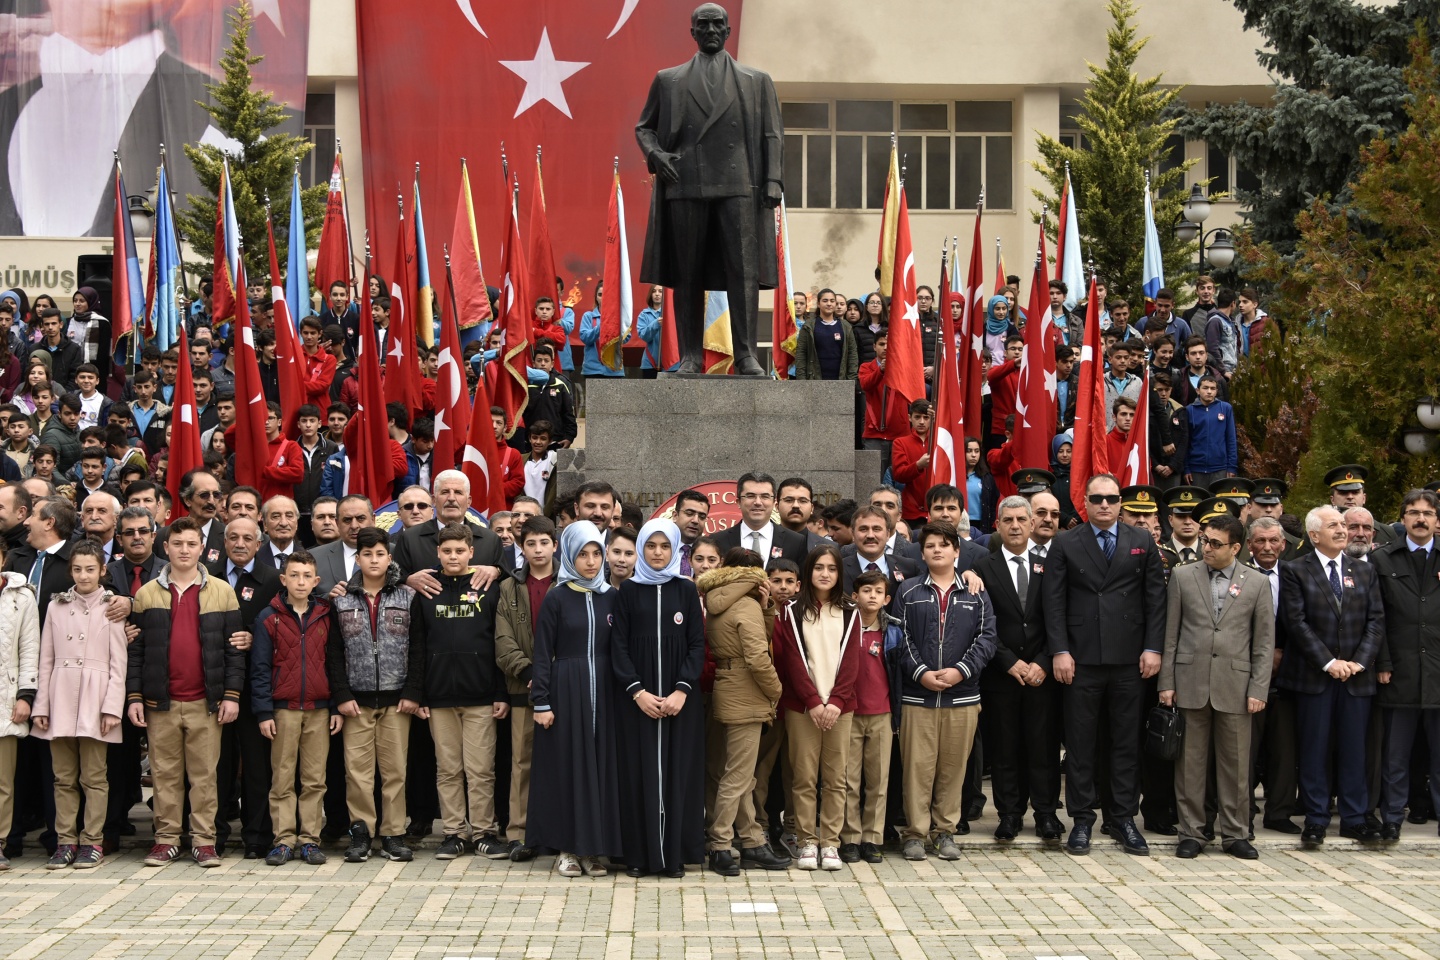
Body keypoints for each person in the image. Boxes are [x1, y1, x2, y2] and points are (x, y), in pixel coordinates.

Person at [635, 2, 781, 376]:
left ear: (729, 31)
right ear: (693, 32)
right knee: (689, 272)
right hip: (686, 182)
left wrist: (774, 180)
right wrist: (656, 154)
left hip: (738, 183)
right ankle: (691, 356)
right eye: (704, 24)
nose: (712, 30)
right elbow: (644, 127)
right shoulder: (668, 79)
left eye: (718, 24)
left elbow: (772, 135)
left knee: (743, 271)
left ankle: (746, 355)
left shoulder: (756, 80)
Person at [1043, 473, 1168, 857]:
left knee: (1125, 742)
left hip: (1130, 658)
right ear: (1085, 501)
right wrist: (1060, 650)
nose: (1104, 505)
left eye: (1111, 499)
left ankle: (1123, 818)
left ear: (1120, 504)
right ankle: (1082, 819)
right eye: (1096, 499)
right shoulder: (1066, 541)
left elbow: (1155, 600)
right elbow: (1054, 600)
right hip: (1081, 659)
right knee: (1080, 744)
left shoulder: (1140, 540)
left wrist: (1153, 648)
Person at [126, 518, 245, 868]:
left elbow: (233, 650)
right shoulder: (146, 594)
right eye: (177, 543)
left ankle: (204, 841)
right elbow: (137, 651)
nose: (184, 550)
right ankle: (165, 839)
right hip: (160, 702)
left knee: (204, 776)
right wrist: (134, 697)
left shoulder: (222, 591)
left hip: (205, 703)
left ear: (201, 548)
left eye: (191, 544)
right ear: (165, 547)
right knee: (164, 775)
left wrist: (232, 695)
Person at [1158, 512, 1274, 860]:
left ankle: (1236, 833)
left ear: (1235, 547)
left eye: (1214, 543)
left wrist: (1258, 689)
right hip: (1190, 681)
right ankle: (1191, 832)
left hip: (1236, 686)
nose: (1206, 547)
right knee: (1190, 764)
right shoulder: (1182, 576)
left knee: (1236, 765)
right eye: (1205, 540)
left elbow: (1264, 643)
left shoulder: (1256, 583)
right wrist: (1167, 682)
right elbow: (1171, 635)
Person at [1277, 506, 1387, 848]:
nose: (1343, 530)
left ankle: (1354, 819)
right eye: (1334, 525)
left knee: (1355, 750)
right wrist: (1329, 662)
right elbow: (1295, 623)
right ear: (1314, 535)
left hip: (1355, 678)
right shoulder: (1296, 570)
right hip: (1315, 677)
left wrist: (1359, 662)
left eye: (1343, 524)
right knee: (1315, 750)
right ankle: (1316, 819)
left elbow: (1376, 620)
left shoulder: (1364, 571)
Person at [403, 523, 509, 860]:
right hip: (438, 698)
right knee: (448, 769)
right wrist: (418, 694)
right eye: (447, 551)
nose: (453, 556)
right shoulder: (425, 591)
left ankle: (484, 832)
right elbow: (416, 646)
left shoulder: (489, 588)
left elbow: (498, 644)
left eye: (459, 551)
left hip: (480, 696)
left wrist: (500, 693)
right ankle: (453, 832)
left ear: (471, 552)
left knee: (480, 769)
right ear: (437, 552)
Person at [527, 520, 624, 879]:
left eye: (596, 553)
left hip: (606, 693)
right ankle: (567, 849)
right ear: (568, 554)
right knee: (569, 770)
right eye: (582, 554)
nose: (590, 561)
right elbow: (542, 653)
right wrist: (541, 702)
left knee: (600, 770)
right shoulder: (557, 596)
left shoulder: (612, 596)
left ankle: (594, 851)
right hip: (567, 689)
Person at [613, 518, 707, 877]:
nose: (656, 552)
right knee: (639, 774)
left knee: (678, 772)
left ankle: (675, 856)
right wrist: (637, 691)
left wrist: (682, 689)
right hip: (638, 701)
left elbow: (697, 645)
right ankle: (639, 855)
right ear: (641, 549)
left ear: (674, 550)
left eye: (664, 546)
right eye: (650, 546)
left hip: (680, 701)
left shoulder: (685, 590)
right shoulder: (628, 592)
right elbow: (618, 648)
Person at [973, 497, 1063, 844]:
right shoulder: (982, 567)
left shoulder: (1051, 564)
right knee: (1005, 748)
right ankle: (1009, 814)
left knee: (1043, 748)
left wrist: (1042, 660)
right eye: (1007, 520)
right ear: (997, 525)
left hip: (1042, 674)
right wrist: (1009, 661)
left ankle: (1046, 814)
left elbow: (1058, 617)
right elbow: (982, 622)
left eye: (1020, 519)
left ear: (1030, 524)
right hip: (1002, 674)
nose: (1014, 526)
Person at [696, 547, 789, 875]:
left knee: (739, 773)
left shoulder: (718, 599)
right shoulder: (745, 604)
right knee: (737, 776)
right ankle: (720, 844)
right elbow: (758, 655)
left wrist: (765, 609)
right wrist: (777, 690)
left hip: (726, 685)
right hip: (747, 692)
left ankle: (752, 842)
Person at [328, 527, 416, 864]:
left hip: (396, 700)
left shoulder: (407, 597)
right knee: (358, 772)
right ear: (358, 558)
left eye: (380, 554)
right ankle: (361, 833)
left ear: (389, 557)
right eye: (367, 554)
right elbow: (333, 653)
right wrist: (341, 694)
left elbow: (418, 647)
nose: (374, 560)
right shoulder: (341, 600)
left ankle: (393, 833)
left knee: (394, 770)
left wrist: (412, 691)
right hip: (356, 702)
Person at [769, 544, 859, 871]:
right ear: (808, 572)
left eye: (831, 569)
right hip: (802, 707)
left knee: (836, 778)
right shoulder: (792, 610)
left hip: (840, 707)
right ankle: (807, 841)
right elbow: (793, 662)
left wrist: (834, 702)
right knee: (804, 777)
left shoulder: (851, 610)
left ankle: (831, 843)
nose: (825, 574)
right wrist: (813, 702)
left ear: (839, 573)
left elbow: (851, 662)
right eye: (819, 567)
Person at [250, 551, 340, 867]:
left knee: (315, 778)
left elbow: (335, 664)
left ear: (315, 581)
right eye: (294, 575)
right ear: (284, 579)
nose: (300, 581)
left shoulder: (327, 615)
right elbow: (260, 668)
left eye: (307, 576)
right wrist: (263, 712)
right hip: (283, 709)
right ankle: (284, 839)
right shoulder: (268, 617)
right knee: (283, 777)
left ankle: (310, 840)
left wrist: (337, 707)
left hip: (319, 708)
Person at [1371, 489, 1440, 841]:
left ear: (1437, 521)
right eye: (1413, 512)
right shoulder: (1383, 560)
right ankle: (1393, 818)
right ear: (1403, 518)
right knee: (1395, 755)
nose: (1420, 519)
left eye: (1427, 513)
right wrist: (1381, 661)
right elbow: (1376, 618)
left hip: (1439, 672)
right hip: (1399, 670)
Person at [493, 516, 558, 862]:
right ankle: (519, 833)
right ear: (522, 547)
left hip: (563, 688)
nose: (537, 550)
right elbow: (502, 641)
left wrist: (551, 674)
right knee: (522, 762)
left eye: (543, 543)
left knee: (562, 763)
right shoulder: (509, 587)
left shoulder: (568, 584)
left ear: (554, 545)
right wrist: (530, 670)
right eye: (530, 544)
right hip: (523, 686)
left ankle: (558, 831)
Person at [838, 568, 898, 864]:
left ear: (886, 598)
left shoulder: (893, 630)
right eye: (866, 591)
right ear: (854, 595)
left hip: (882, 713)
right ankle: (849, 837)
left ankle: (872, 838)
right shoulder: (843, 628)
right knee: (849, 779)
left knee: (878, 780)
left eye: (878, 592)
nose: (871, 596)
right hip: (849, 713)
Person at [714, 472, 808, 564]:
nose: (758, 502)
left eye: (765, 496)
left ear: (774, 502)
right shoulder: (718, 540)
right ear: (739, 502)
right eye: (750, 496)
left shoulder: (795, 541)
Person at [842, 505, 922, 594]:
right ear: (853, 534)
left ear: (888, 534)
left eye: (877, 529)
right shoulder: (839, 569)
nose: (870, 535)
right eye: (863, 529)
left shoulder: (909, 568)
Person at [793, 289, 858, 381]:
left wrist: (851, 379)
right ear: (818, 304)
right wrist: (802, 380)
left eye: (832, 301)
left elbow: (852, 354)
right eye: (825, 301)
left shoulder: (846, 326)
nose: (829, 304)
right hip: (814, 380)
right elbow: (801, 354)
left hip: (841, 380)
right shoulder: (808, 326)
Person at [1184, 376, 1236, 488]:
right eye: (1205, 388)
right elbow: (1185, 442)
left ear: (1217, 391)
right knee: (1198, 503)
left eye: (1213, 389)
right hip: (1195, 468)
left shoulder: (1225, 408)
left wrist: (1232, 466)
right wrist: (1186, 468)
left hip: (1220, 468)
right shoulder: (1189, 410)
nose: (1209, 391)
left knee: (1218, 504)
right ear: (1198, 390)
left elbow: (1231, 439)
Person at [890, 400, 935, 527]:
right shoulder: (900, 442)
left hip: (936, 508)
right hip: (911, 511)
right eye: (917, 417)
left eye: (926, 417)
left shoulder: (939, 440)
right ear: (910, 418)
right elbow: (898, 474)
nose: (921, 421)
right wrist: (918, 465)